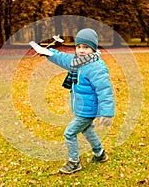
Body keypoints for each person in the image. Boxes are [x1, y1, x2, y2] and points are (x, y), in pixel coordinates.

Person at [46, 28, 115, 174]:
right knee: (87, 129)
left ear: (93, 48)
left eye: (86, 47)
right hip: (82, 107)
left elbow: (105, 90)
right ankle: (100, 154)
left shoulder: (95, 67)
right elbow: (63, 58)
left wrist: (107, 113)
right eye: (78, 47)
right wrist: (49, 53)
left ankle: (74, 163)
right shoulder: (78, 62)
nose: (81, 50)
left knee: (69, 133)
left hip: (88, 110)